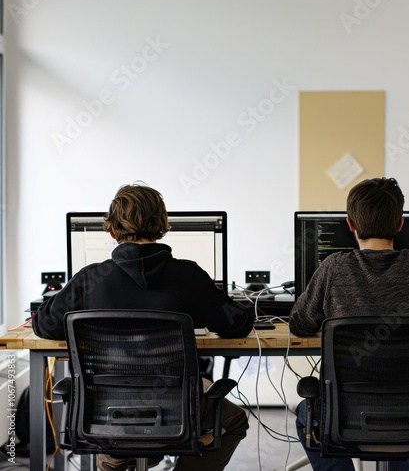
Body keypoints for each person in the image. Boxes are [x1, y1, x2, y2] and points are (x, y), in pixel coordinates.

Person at [33, 183, 254, 471]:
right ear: (163, 226)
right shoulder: (189, 276)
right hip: (177, 408)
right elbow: (237, 325)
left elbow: (44, 326)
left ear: (111, 230)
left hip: (105, 410)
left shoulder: (89, 279)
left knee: (109, 432)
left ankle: (115, 457)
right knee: (234, 420)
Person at [288, 177, 409, 471]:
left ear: (350, 224)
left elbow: (299, 324)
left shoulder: (333, 266)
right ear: (400, 224)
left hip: (345, 413)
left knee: (304, 414)